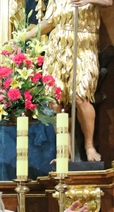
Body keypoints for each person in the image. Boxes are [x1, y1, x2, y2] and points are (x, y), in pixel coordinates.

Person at [26, 0, 112, 162]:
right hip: (57, 50)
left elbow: (107, 2)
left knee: (81, 96)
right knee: (55, 101)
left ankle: (89, 147)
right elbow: (49, 22)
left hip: (83, 47)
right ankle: (64, 152)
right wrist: (24, 36)